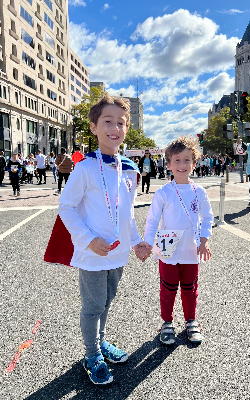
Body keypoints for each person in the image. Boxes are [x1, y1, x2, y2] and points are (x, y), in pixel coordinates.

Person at [57, 95, 151, 386]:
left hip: (118, 253)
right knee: (93, 305)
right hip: (93, 252)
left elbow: (127, 214)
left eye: (121, 123)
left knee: (107, 301)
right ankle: (91, 354)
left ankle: (101, 343)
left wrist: (136, 242)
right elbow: (66, 207)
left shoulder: (130, 170)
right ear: (94, 127)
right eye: (107, 122)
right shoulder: (84, 167)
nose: (115, 128)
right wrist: (87, 240)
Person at [144, 135, 213, 345]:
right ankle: (167, 322)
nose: (182, 165)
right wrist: (146, 243)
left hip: (191, 248)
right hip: (167, 246)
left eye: (186, 160)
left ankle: (191, 320)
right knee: (167, 287)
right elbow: (153, 219)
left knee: (190, 287)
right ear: (168, 165)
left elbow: (208, 216)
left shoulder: (199, 192)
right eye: (177, 160)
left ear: (194, 163)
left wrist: (204, 240)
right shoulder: (164, 192)